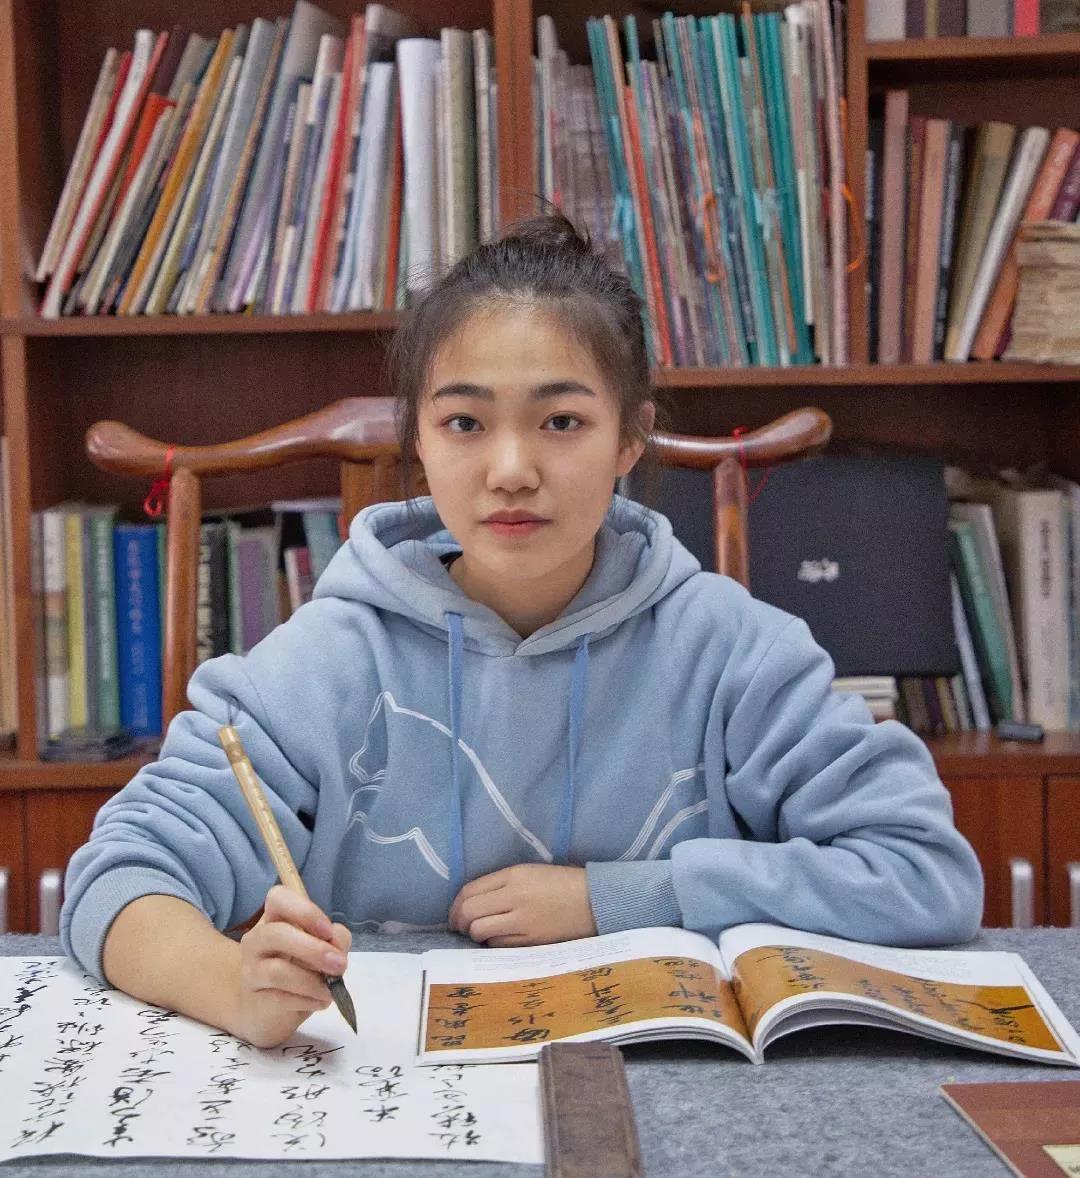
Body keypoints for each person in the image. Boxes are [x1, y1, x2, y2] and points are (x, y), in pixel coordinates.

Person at [61, 213, 983, 1049]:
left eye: (562, 421)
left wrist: (624, 897)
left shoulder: (733, 651)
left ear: (630, 437)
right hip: (393, 1102)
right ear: (418, 440)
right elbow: (118, 878)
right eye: (464, 421)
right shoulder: (325, 662)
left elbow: (922, 871)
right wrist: (232, 984)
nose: (510, 469)